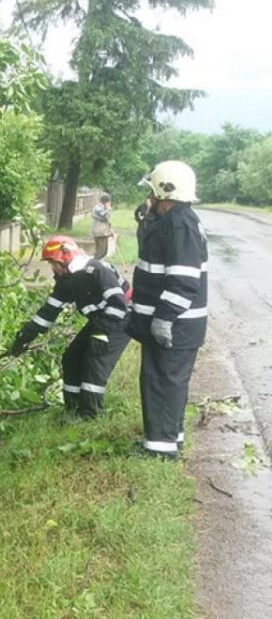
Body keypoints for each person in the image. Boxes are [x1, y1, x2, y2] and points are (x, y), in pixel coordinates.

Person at [128, 160, 208, 459]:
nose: (149, 198)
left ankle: (159, 452)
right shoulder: (173, 220)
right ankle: (169, 441)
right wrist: (146, 222)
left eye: (152, 192)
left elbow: (184, 280)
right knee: (168, 382)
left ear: (165, 191)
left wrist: (163, 318)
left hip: (174, 324)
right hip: (175, 324)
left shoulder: (179, 224)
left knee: (162, 383)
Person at [9, 235, 130, 416]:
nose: (52, 268)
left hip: (121, 320)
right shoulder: (67, 281)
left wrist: (100, 334)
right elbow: (48, 312)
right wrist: (24, 336)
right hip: (101, 321)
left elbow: (118, 304)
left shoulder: (96, 270)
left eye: (53, 262)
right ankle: (72, 409)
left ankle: (90, 416)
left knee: (94, 362)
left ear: (65, 257)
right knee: (71, 357)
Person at [91, 193, 114, 259]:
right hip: (99, 233)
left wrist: (110, 231)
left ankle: (96, 264)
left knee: (104, 252)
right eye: (109, 201)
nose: (110, 203)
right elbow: (106, 218)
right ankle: (94, 265)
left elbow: (106, 221)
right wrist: (108, 209)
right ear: (105, 201)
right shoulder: (98, 208)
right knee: (100, 252)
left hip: (103, 232)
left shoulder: (102, 208)